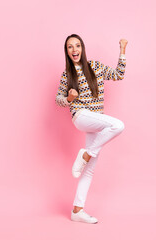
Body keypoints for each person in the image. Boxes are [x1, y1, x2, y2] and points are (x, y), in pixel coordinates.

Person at [55, 33, 128, 224]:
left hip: (96, 121)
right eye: (70, 47)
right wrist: (69, 99)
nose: (74, 50)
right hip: (80, 115)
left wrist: (122, 51)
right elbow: (59, 99)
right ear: (67, 51)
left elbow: (118, 75)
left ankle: (77, 210)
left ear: (82, 48)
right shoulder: (67, 75)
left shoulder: (94, 66)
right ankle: (86, 154)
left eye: (77, 46)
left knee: (88, 170)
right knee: (118, 125)